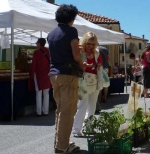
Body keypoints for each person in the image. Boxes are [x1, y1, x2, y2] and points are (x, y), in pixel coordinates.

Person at [47, 4, 82, 153]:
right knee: (68, 111)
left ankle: (61, 142)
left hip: (54, 74)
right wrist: (82, 65)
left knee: (61, 110)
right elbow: (76, 55)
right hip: (68, 74)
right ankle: (62, 146)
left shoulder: (51, 33)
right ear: (72, 18)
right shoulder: (71, 31)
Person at [72, 32, 103, 137]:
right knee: (82, 106)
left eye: (92, 44)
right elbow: (75, 65)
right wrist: (83, 66)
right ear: (85, 42)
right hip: (83, 81)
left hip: (94, 81)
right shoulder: (80, 52)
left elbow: (100, 63)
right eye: (88, 43)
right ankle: (76, 130)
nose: (90, 46)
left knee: (92, 106)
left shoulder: (97, 52)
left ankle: (88, 127)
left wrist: (98, 65)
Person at [29, 38, 51, 117]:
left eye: (37, 43)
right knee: (46, 93)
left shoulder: (36, 52)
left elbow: (33, 64)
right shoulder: (48, 52)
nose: (36, 44)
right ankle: (46, 111)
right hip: (47, 74)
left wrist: (31, 74)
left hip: (38, 75)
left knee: (38, 93)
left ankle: (39, 112)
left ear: (39, 43)